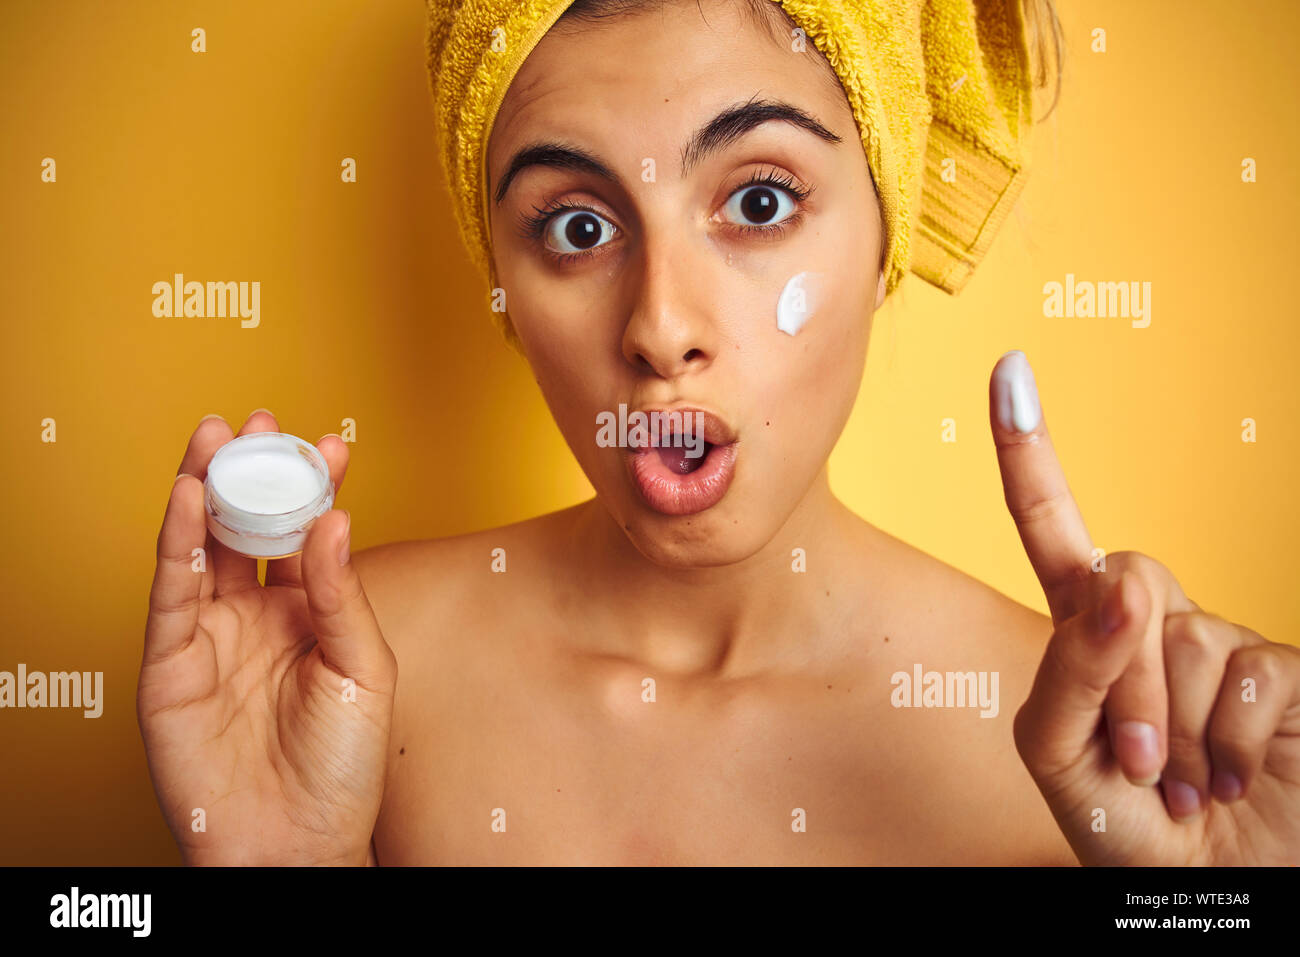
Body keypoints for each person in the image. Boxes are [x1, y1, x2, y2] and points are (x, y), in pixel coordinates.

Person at [139, 0, 1300, 865]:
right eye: (579, 225)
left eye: (757, 202)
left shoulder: (1099, 749)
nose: (659, 326)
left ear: (884, 234)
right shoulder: (343, 678)